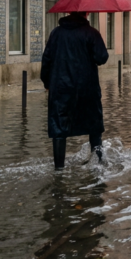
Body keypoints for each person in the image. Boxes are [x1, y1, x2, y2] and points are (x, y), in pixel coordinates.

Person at [41, 12, 109, 169]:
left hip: (60, 88)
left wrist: (47, 82)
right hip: (87, 88)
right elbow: (102, 58)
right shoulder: (91, 33)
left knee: (59, 127)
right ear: (86, 14)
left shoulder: (56, 33)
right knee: (94, 125)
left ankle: (59, 168)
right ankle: (97, 164)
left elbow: (47, 59)